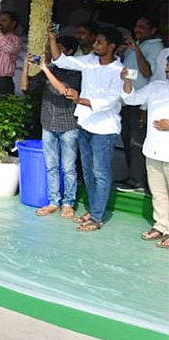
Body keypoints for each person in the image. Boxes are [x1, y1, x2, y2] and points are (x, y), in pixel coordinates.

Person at [51, 27, 125, 232]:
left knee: (101, 173)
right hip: (85, 123)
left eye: (100, 42)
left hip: (105, 128)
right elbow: (62, 60)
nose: (95, 45)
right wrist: (51, 38)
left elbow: (109, 102)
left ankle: (98, 216)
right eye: (96, 41)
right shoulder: (90, 61)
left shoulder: (119, 70)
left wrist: (78, 99)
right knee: (89, 172)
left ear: (112, 46)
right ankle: (93, 210)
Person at [22, 36, 83, 219]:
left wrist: (44, 69)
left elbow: (63, 91)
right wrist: (26, 66)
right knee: (51, 166)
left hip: (69, 124)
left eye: (59, 48)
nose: (53, 52)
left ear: (70, 52)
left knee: (69, 167)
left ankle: (68, 203)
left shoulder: (75, 71)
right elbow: (25, 87)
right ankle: (53, 201)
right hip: (48, 123)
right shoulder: (50, 69)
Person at [121, 56, 169, 249]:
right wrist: (126, 82)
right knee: (158, 193)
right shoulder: (156, 87)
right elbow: (131, 99)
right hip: (153, 149)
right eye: (167, 66)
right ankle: (162, 225)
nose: (167, 70)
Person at [117, 16, 164, 192]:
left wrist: (136, 50)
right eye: (136, 26)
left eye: (142, 27)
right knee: (128, 140)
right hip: (127, 99)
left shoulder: (157, 48)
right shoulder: (136, 44)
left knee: (137, 141)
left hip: (141, 104)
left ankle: (138, 180)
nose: (137, 30)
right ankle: (132, 176)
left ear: (153, 31)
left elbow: (147, 72)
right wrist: (124, 52)